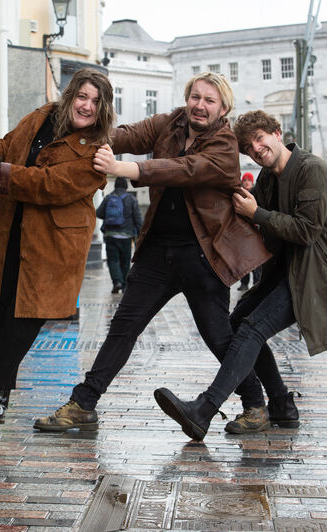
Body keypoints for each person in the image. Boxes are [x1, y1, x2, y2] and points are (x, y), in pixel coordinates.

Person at [34, 72, 271, 432]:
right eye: (195, 96)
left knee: (219, 336)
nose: (199, 105)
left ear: (223, 108)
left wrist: (122, 168)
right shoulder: (169, 123)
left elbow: (183, 170)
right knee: (123, 328)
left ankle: (256, 405)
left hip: (203, 256)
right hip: (157, 252)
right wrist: (85, 126)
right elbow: (127, 134)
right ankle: (84, 403)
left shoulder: (224, 144)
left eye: (209, 100)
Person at [153, 110, 327, 440]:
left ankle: (205, 409)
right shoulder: (268, 179)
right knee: (239, 322)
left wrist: (258, 213)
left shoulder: (312, 170)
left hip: (317, 277)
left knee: (253, 328)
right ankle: (281, 405)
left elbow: (306, 231)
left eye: (260, 139)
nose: (257, 148)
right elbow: (263, 228)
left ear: (277, 134)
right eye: (249, 147)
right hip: (286, 272)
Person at [0, 68, 114, 424]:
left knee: (27, 318)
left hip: (55, 242)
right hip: (16, 230)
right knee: (8, 309)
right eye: (83, 96)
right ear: (71, 94)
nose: (86, 106)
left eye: (95, 101)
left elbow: (49, 185)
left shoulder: (96, 153)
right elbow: (7, 147)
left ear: (103, 110)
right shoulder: (42, 116)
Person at [97, 177, 142, 293]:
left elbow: (99, 213)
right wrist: (141, 233)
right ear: (126, 187)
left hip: (110, 235)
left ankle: (116, 282)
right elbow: (138, 219)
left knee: (112, 260)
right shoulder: (131, 199)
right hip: (126, 236)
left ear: (115, 186)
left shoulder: (108, 198)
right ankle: (125, 285)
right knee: (125, 261)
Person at [237, 172, 261, 291]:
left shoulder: (257, 194)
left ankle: (257, 282)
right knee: (244, 260)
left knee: (257, 260)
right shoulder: (239, 195)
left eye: (249, 180)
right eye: (245, 180)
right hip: (243, 232)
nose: (246, 182)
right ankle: (244, 282)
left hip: (256, 231)